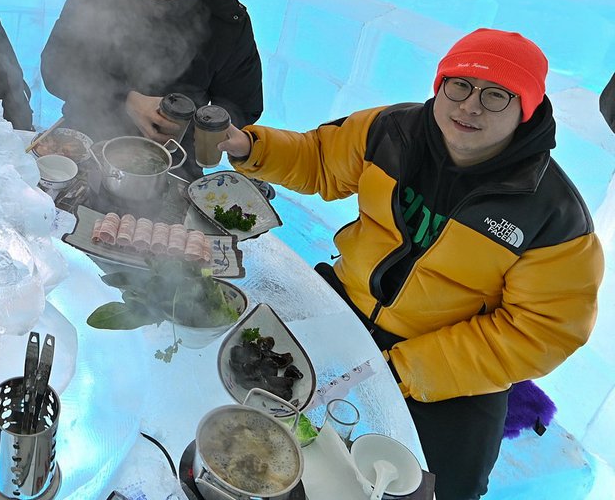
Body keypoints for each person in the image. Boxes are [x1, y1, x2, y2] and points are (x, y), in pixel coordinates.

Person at [216, 28, 603, 500]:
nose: (469, 106)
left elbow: (543, 330)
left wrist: (408, 370)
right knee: (236, 375)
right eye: (458, 85)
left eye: (496, 95)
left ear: (526, 111)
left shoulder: (553, 215)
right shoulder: (390, 131)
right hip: (349, 299)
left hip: (447, 352)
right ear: (439, 86)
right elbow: (319, 159)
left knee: (444, 488)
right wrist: (247, 147)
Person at [40, 0, 263, 176]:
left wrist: (192, 126)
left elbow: (243, 107)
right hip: (86, 139)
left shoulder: (226, 21)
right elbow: (55, 67)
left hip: (173, 159)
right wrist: (126, 99)